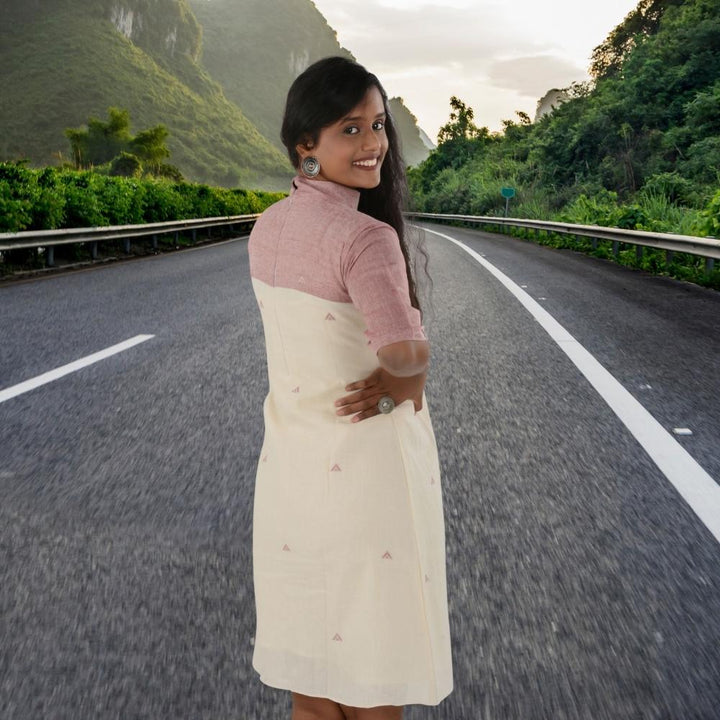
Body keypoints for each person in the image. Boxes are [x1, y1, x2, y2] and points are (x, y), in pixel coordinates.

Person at [248, 56, 453, 720]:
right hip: (367, 482)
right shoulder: (366, 238)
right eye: (350, 129)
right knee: (372, 680)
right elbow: (399, 351)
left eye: (378, 126)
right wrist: (408, 376)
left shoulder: (266, 228)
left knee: (312, 683)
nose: (372, 145)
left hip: (291, 475)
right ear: (306, 144)